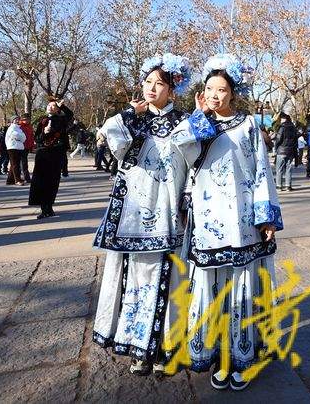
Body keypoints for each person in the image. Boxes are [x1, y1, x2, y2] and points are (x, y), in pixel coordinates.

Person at [170, 53, 282, 391]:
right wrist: (198, 115)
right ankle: (217, 355)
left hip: (243, 221)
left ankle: (242, 356)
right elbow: (181, 148)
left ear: (233, 93)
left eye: (221, 89)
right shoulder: (198, 124)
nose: (215, 95)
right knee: (211, 290)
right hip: (207, 220)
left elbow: (261, 172)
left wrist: (266, 216)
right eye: (209, 89)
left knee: (243, 289)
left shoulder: (248, 126)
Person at [92, 53, 190, 376]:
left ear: (172, 89)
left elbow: (196, 158)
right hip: (133, 214)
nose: (150, 88)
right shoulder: (134, 120)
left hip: (167, 212)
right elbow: (111, 136)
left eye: (158, 83)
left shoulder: (183, 122)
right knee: (134, 279)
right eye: (147, 82)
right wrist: (129, 111)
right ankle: (138, 347)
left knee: (167, 279)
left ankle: (165, 346)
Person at [28, 98, 73, 219]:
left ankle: (49, 207)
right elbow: (37, 139)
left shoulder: (61, 119)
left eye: (54, 106)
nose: (50, 107)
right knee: (40, 181)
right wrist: (44, 133)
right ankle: (44, 209)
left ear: (57, 109)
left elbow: (70, 115)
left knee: (53, 181)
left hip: (56, 152)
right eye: (49, 105)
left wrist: (61, 106)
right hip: (43, 153)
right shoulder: (42, 120)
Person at [272, 112, 297, 192]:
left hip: (281, 151)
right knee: (288, 168)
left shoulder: (282, 127)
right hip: (291, 151)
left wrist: (276, 148)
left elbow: (278, 139)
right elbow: (295, 140)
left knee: (279, 169)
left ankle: (279, 186)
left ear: (284, 119)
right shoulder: (293, 128)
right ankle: (288, 186)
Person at [4, 116, 27, 186]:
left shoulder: (19, 128)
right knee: (15, 164)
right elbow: (16, 136)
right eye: (15, 119)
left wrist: (20, 137)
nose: (17, 120)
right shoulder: (11, 128)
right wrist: (20, 137)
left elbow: (24, 138)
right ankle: (17, 179)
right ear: (12, 121)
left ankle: (10, 180)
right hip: (12, 147)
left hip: (19, 147)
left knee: (13, 164)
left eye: (18, 119)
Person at [18, 116, 35, 183]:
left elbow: (31, 137)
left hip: (27, 146)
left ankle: (21, 176)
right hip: (21, 146)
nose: (27, 120)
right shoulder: (20, 126)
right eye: (25, 119)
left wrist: (32, 146)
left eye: (28, 119)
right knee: (23, 163)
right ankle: (26, 177)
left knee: (23, 162)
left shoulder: (30, 126)